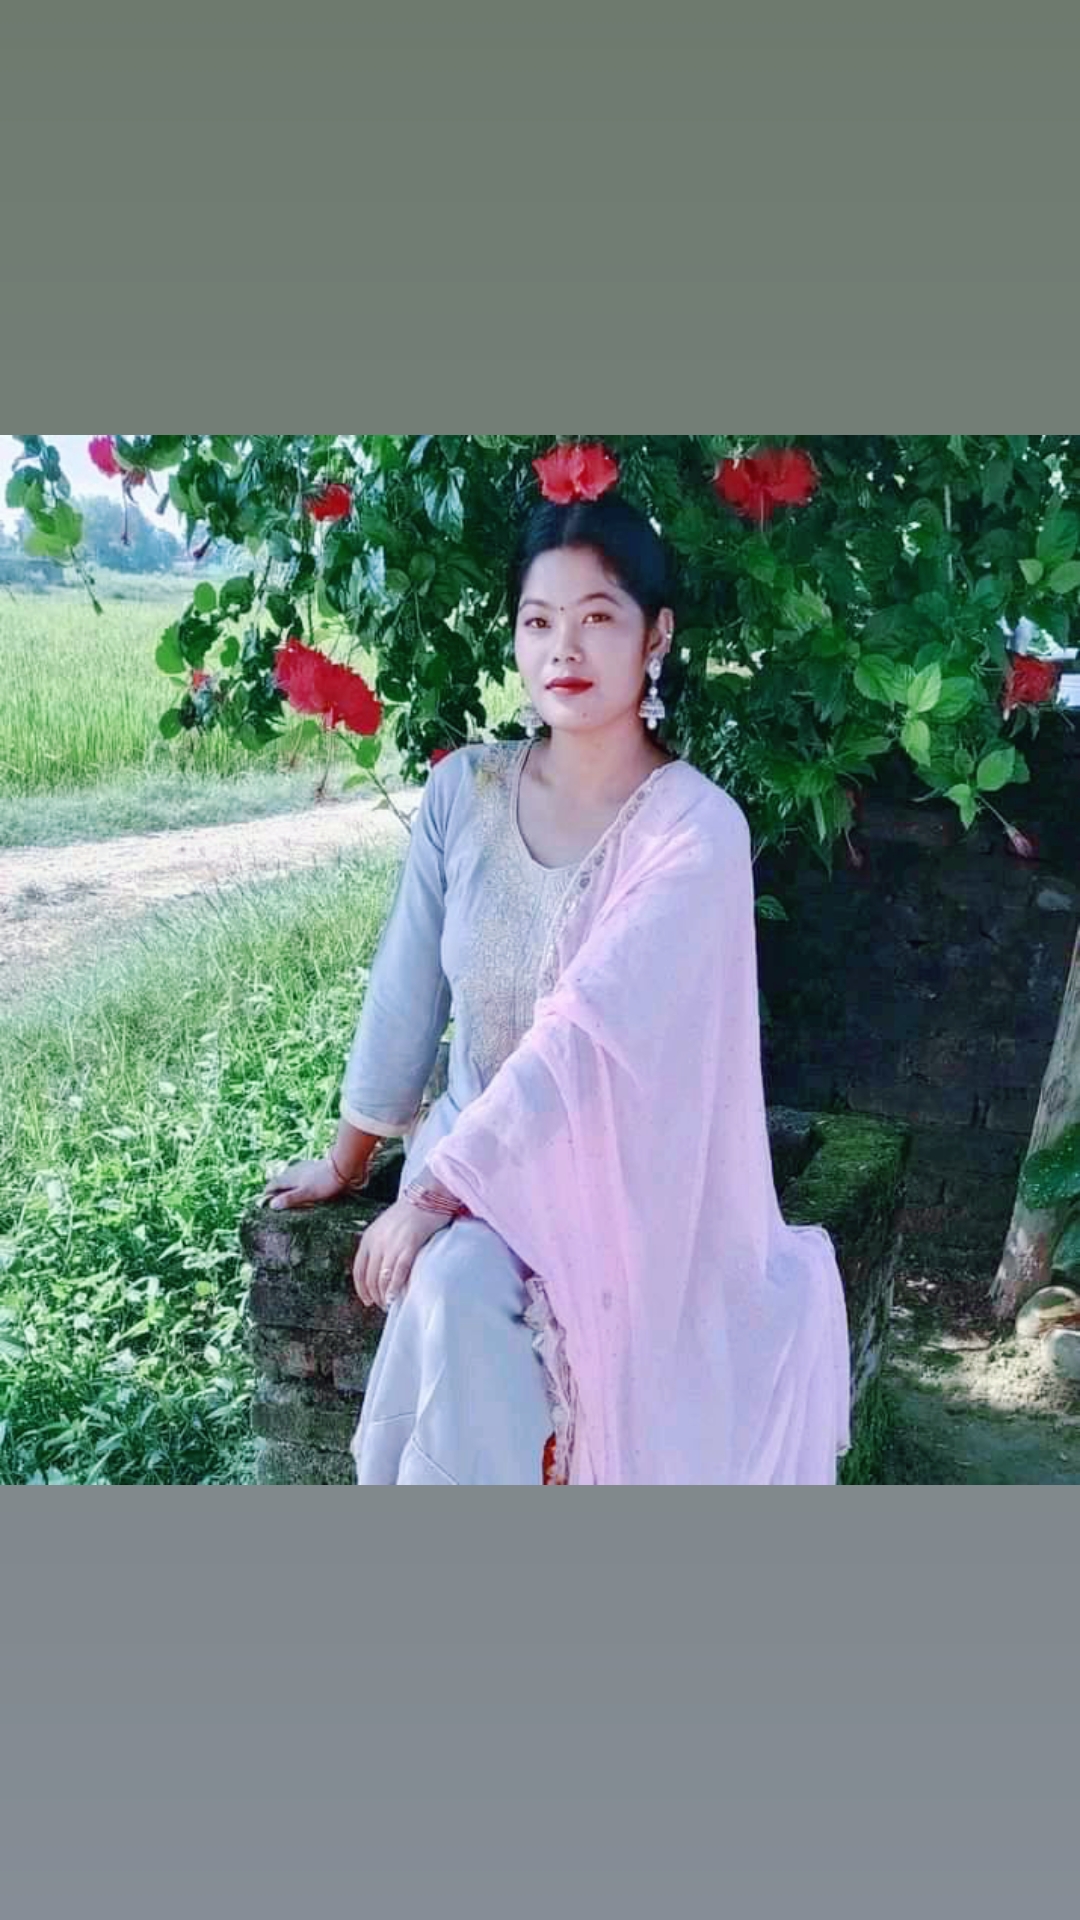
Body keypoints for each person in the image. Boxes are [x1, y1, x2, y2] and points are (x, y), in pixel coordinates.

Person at [261, 464, 851, 1485]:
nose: (564, 650)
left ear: (656, 636)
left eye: (597, 618)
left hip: (618, 1186)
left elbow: (586, 1033)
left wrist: (433, 1193)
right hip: (476, 1164)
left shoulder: (694, 829)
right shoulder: (466, 790)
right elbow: (406, 994)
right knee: (456, 1285)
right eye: (538, 622)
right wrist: (350, 1164)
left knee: (456, 1279)